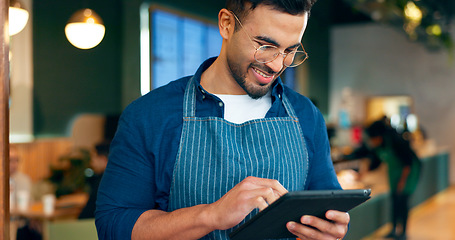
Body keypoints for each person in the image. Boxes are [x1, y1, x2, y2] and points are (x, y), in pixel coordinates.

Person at [96, 0, 349, 239]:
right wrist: (211, 215)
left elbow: (328, 213)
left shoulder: (305, 116)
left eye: (290, 50)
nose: (276, 64)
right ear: (227, 24)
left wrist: (330, 229)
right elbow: (113, 226)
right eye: (265, 46)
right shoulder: (150, 115)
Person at [364, 119, 421, 240]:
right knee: (394, 200)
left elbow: (408, 163)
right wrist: (364, 171)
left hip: (408, 173)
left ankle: (403, 232)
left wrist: (402, 182)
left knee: (403, 201)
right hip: (395, 173)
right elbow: (377, 161)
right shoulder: (381, 145)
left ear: (378, 136)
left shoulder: (396, 140)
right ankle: (394, 229)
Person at [78, 141, 110, 219]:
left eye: (93, 158)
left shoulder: (102, 183)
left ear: (103, 159)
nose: (92, 163)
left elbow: (87, 214)